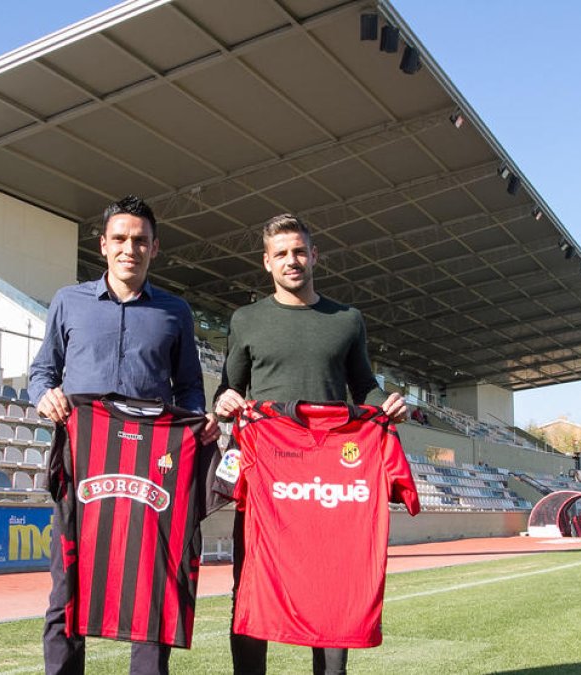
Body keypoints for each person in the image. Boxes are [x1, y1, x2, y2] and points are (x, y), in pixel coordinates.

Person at [28, 195, 218, 675]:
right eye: (120, 239)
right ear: (103, 245)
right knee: (67, 586)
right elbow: (41, 372)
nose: (129, 248)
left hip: (152, 467)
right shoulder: (67, 301)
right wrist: (44, 395)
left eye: (140, 240)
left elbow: (190, 388)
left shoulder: (175, 311)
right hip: (82, 459)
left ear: (155, 248)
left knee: (151, 586)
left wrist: (195, 426)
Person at [213, 213, 409, 675]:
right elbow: (227, 389)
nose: (291, 260)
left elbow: (364, 386)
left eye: (299, 251)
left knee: (331, 590)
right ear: (266, 262)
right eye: (281, 253)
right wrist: (224, 402)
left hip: (327, 481)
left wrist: (389, 404)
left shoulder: (346, 320)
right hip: (266, 479)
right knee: (252, 588)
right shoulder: (246, 320)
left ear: (314, 255)